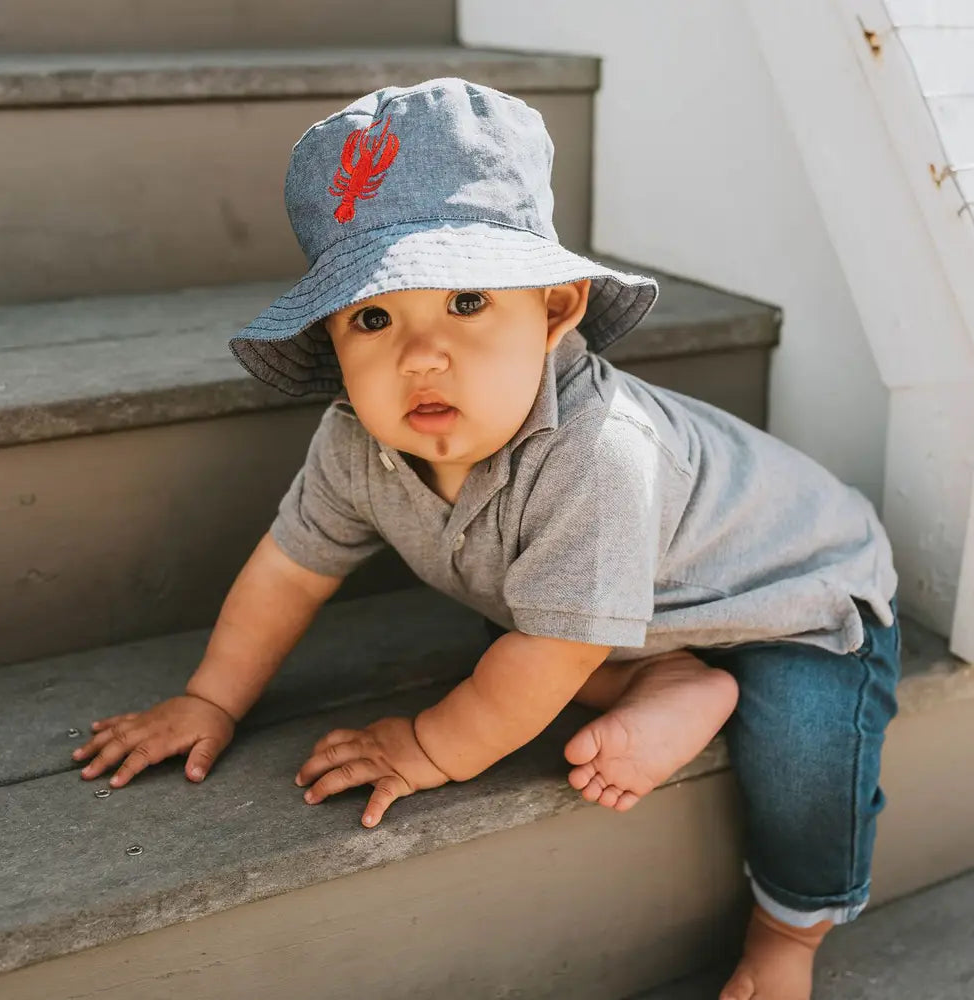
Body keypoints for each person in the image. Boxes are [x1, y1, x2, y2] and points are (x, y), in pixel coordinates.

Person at [71, 78, 902, 1000]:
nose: (419, 354)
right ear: (334, 344)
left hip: (795, 595)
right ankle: (671, 677)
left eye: (467, 302)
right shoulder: (356, 440)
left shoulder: (598, 453)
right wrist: (210, 701)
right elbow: (287, 570)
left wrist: (430, 749)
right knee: (512, 649)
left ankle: (788, 935)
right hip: (627, 605)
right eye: (373, 317)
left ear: (553, 311)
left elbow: (548, 650)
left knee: (799, 749)